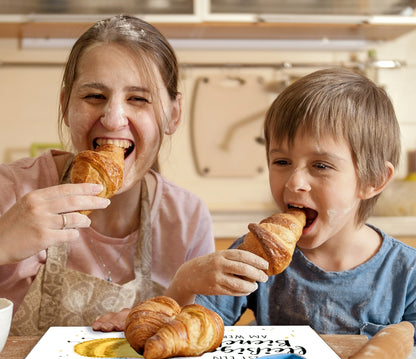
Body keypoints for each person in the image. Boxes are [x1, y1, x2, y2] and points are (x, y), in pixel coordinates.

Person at [0, 15, 215, 336]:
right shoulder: (12, 191)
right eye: (94, 96)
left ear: (173, 114)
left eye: (138, 99)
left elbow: (200, 336)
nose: (114, 119)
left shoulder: (186, 218)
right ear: (65, 106)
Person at [169, 67, 416, 342]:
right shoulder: (256, 253)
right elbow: (189, 333)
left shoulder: (407, 274)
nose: (294, 182)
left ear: (374, 179)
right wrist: (185, 281)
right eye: (282, 162)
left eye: (321, 165)